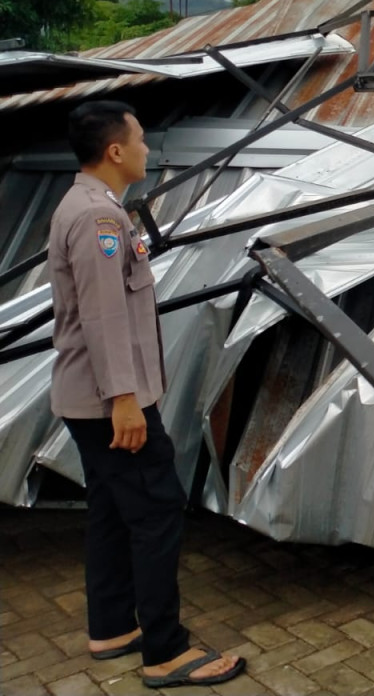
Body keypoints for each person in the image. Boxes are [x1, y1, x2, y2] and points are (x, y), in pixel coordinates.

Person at [49, 100, 245, 688]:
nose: (146, 149)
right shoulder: (97, 220)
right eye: (138, 140)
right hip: (111, 402)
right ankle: (166, 651)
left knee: (112, 511)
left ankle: (111, 626)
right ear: (115, 151)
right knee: (157, 512)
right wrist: (126, 400)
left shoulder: (94, 207)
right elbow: (105, 316)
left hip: (94, 399)